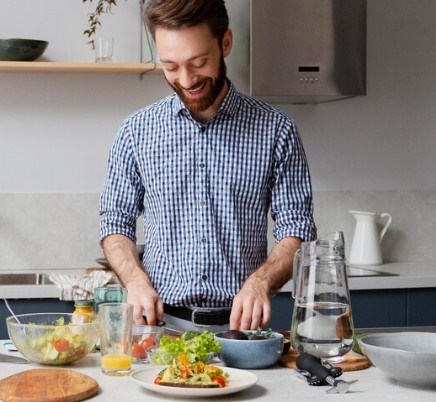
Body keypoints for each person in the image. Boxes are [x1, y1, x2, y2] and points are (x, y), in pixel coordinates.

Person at [99, 0, 316, 331]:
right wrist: (134, 280)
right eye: (171, 67)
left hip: (242, 330)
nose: (186, 80)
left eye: (198, 63)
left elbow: (297, 228)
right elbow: (115, 222)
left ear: (225, 43)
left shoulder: (276, 130)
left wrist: (261, 282)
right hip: (158, 329)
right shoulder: (136, 131)